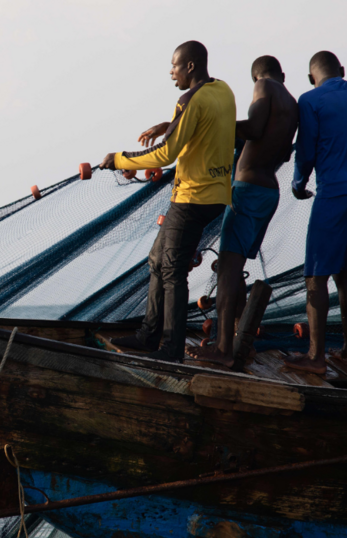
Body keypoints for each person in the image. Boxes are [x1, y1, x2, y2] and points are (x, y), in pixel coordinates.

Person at [100, 40, 236, 362]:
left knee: (172, 270)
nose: (171, 73)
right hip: (217, 194)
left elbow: (165, 153)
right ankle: (148, 335)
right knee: (157, 260)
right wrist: (169, 123)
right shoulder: (224, 90)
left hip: (193, 197)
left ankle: (170, 349)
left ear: (190, 66)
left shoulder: (190, 99)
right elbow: (205, 126)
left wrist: (118, 159)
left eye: (174, 66)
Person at [186, 55, 298, 367]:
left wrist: (212, 127)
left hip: (248, 190)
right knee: (233, 271)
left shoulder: (264, 86)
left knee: (227, 271)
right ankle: (241, 341)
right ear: (283, 73)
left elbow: (254, 127)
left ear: (256, 78)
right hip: (268, 191)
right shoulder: (292, 103)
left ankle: (222, 349)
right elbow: (285, 152)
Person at [285, 51, 347, 375]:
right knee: (345, 275)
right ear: (342, 70)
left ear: (313, 77)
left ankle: (315, 357)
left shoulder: (310, 99)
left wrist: (298, 183)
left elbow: (306, 150)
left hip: (335, 194)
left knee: (316, 275)